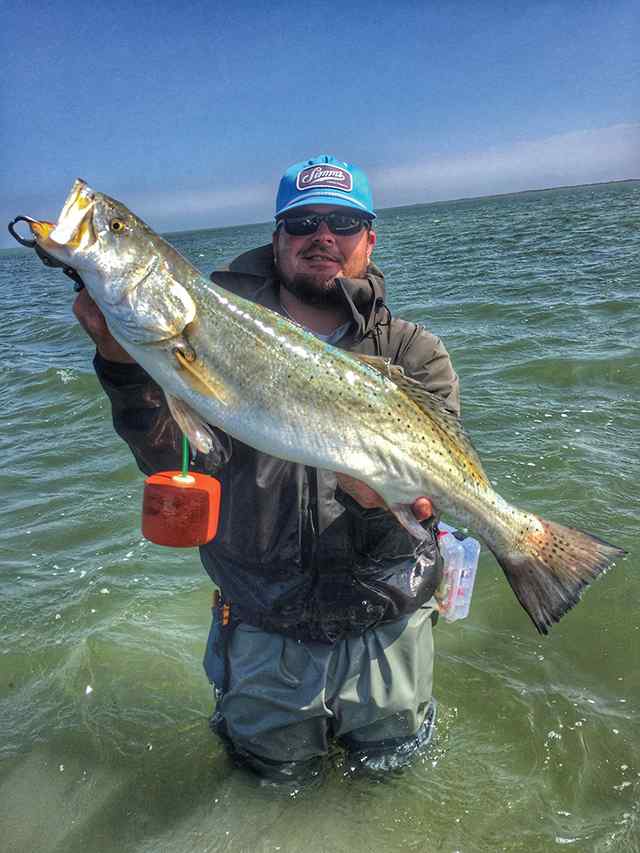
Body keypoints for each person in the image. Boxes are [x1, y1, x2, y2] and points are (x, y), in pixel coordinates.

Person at [73, 154, 460, 786]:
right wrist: (120, 362)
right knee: (268, 786)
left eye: (342, 221)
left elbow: (431, 500)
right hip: (261, 626)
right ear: (277, 238)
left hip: (387, 622)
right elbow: (168, 456)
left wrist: (382, 500)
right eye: (304, 222)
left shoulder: (413, 353)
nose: (322, 237)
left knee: (392, 780)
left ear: (370, 238)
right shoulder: (215, 332)